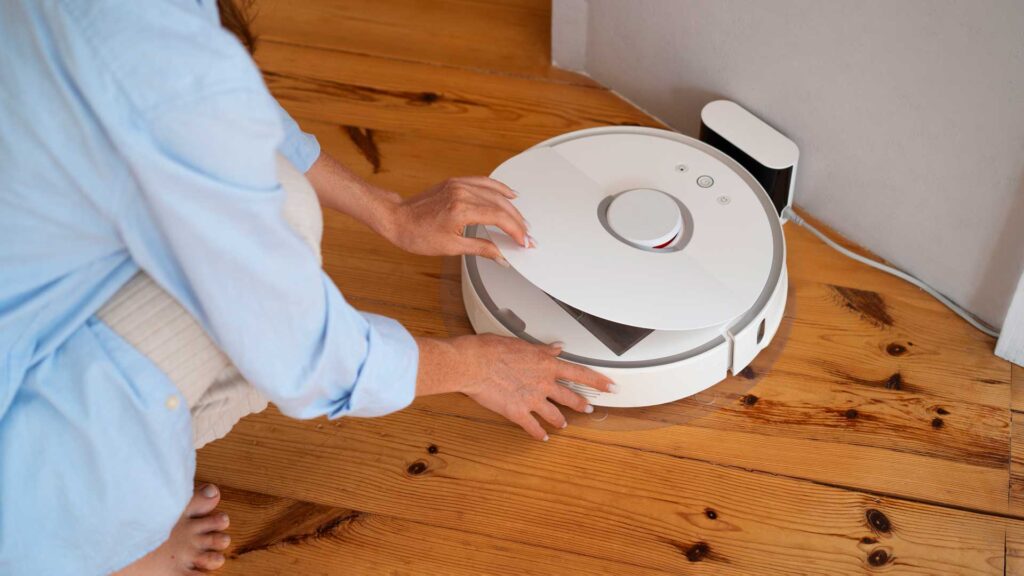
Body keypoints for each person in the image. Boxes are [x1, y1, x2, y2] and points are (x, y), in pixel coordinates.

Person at [0, 1, 615, 574]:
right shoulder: (144, 55)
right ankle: (84, 532)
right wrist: (469, 365)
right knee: (284, 220)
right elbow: (302, 353)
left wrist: (390, 211)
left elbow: (212, 112)